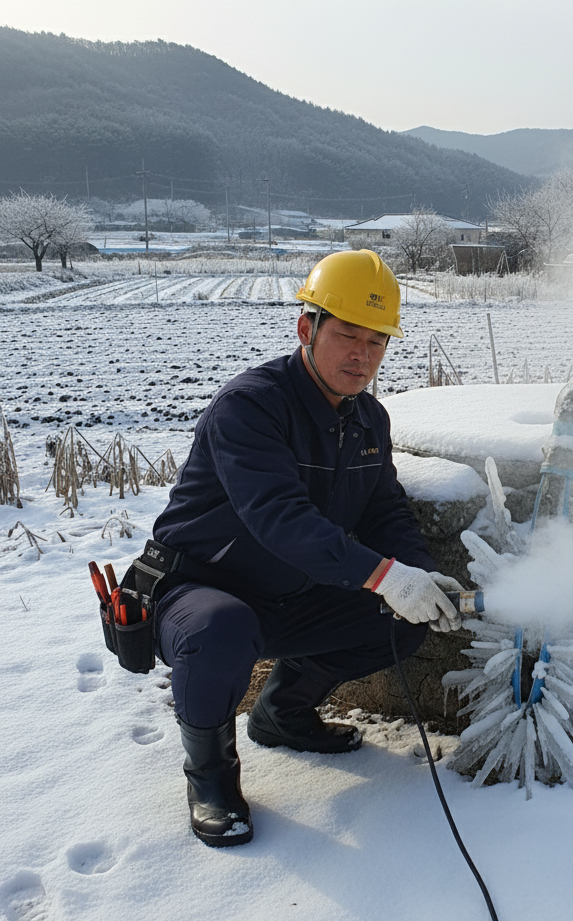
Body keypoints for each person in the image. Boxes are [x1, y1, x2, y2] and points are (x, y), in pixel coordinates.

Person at [146, 249, 462, 847]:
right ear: (306, 328)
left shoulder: (369, 420)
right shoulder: (251, 407)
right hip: (201, 589)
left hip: (291, 593)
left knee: (398, 623)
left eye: (377, 341)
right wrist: (386, 576)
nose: (362, 355)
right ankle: (211, 779)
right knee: (221, 628)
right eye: (347, 335)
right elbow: (279, 517)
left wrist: (418, 576)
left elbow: (384, 510)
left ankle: (283, 713)